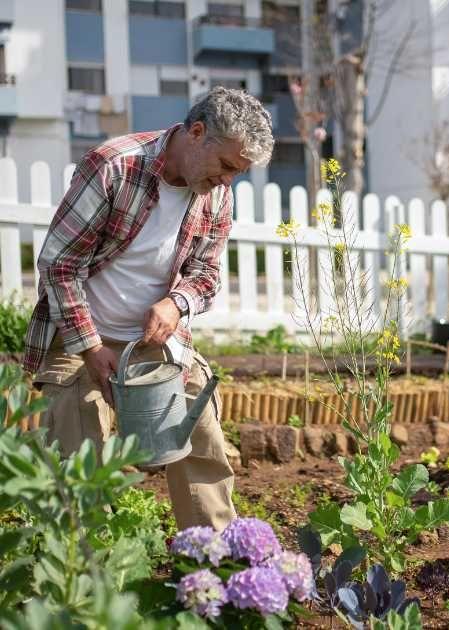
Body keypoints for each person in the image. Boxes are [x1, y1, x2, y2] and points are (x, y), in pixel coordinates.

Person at [21, 87, 274, 530]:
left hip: (156, 340)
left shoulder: (216, 193)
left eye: (239, 172)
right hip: (80, 337)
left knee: (202, 441)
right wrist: (90, 347)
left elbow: (207, 276)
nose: (228, 180)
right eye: (227, 166)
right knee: (79, 461)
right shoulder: (115, 166)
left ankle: (213, 570)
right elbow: (59, 265)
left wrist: (177, 304)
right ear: (197, 133)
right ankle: (85, 581)